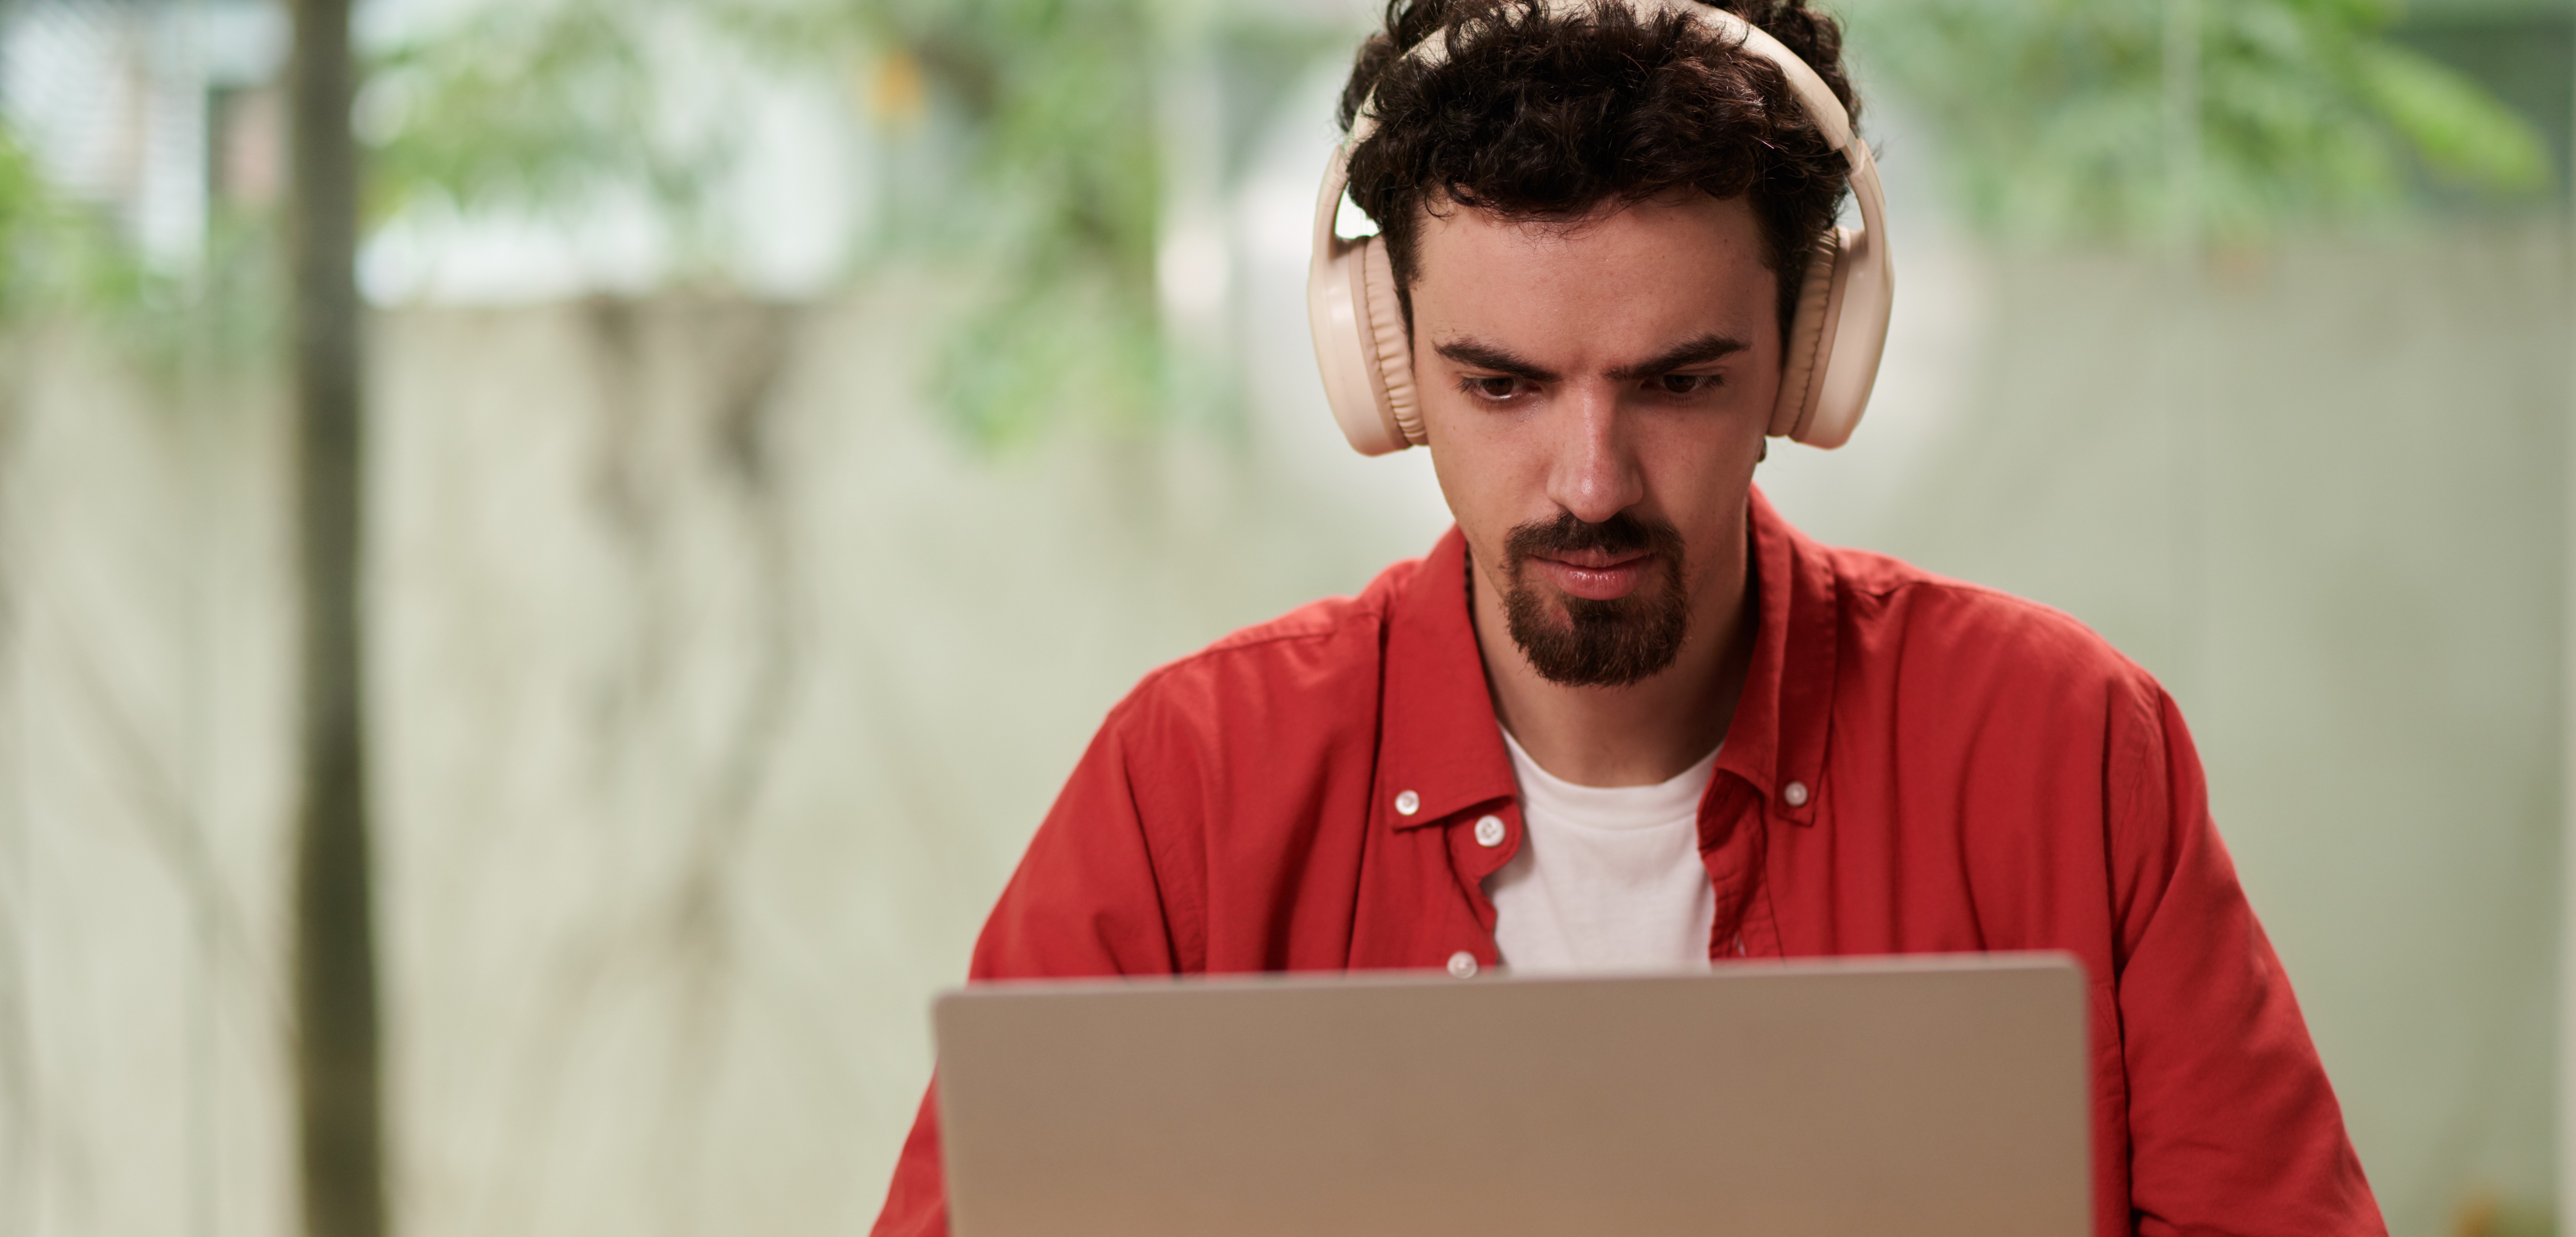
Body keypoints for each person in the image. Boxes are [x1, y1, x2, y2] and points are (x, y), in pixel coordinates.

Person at [871, 1, 2386, 1233]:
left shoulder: (2066, 749)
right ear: (1386, 370)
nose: (1589, 483)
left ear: (1810, 363)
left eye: (1677, 380)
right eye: (1502, 385)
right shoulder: (1188, 786)